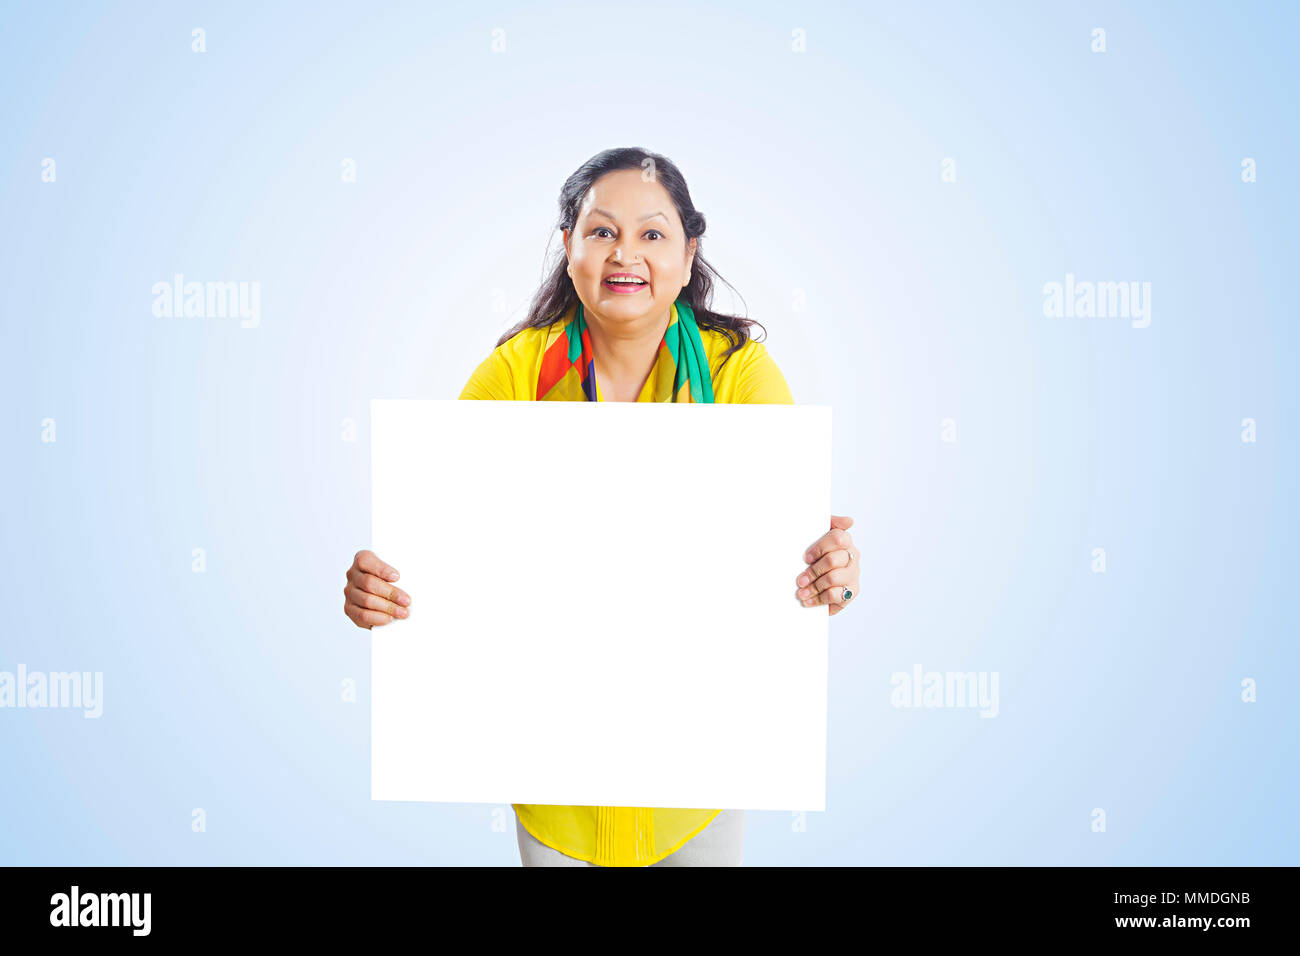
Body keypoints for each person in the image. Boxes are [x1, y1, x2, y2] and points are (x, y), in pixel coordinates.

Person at [344, 147, 860, 866]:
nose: (626, 254)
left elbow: (787, 570)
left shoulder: (737, 373)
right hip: (557, 781)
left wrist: (827, 576)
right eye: (601, 231)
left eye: (652, 234)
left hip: (699, 778)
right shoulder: (519, 373)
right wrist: (383, 591)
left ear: (688, 255)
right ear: (568, 249)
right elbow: (443, 553)